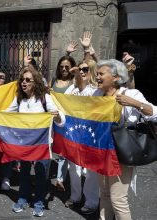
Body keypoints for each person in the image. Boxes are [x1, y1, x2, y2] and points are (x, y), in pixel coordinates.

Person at [95, 59, 156, 220]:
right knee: (105, 194)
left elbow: (153, 112)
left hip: (121, 152)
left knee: (118, 199)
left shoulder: (130, 94)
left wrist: (135, 104)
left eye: (101, 74)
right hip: (102, 151)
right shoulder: (96, 94)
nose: (97, 77)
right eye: (97, 74)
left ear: (115, 77)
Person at [8, 66, 65, 217]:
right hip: (25, 143)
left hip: (42, 143)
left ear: (36, 82)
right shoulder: (19, 98)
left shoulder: (45, 97)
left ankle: (39, 202)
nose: (24, 83)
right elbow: (7, 113)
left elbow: (61, 120)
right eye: (22, 80)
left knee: (41, 174)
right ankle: (22, 199)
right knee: (24, 172)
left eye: (28, 80)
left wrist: (57, 116)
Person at [63, 59, 100, 215]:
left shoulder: (95, 90)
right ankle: (75, 196)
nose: (82, 72)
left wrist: (77, 75)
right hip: (74, 132)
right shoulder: (72, 88)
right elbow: (62, 102)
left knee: (91, 169)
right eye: (80, 69)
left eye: (85, 69)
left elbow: (85, 88)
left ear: (92, 71)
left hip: (91, 134)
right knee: (74, 167)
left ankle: (91, 201)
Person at [51, 55, 76, 192]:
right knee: (50, 145)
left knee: (64, 149)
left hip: (68, 120)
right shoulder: (54, 80)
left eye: (67, 66)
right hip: (53, 118)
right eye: (62, 66)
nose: (64, 69)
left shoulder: (74, 82)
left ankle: (60, 179)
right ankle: (43, 175)